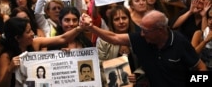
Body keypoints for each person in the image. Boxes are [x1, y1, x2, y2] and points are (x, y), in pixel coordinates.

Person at [79, 10, 207, 87]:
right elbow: (114, 37)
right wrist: (91, 27)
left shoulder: (179, 42)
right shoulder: (141, 40)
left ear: (161, 30)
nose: (141, 34)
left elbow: (201, 68)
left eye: (146, 31)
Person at [0, 17, 87, 87]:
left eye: (32, 30)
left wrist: (79, 28)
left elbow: (62, 38)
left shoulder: (35, 43)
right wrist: (9, 70)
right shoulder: (6, 56)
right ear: (17, 38)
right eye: (28, 32)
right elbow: (2, 86)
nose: (33, 33)